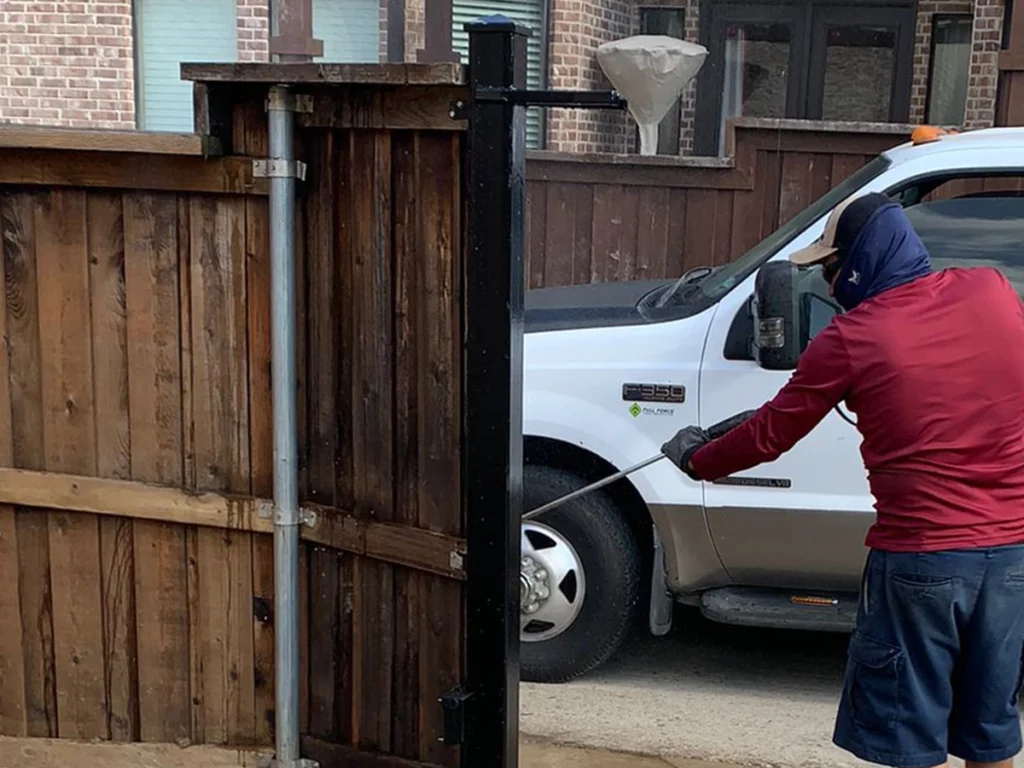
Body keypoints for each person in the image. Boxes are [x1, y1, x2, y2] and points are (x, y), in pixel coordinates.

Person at [661, 191, 1024, 768]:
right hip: (1010, 561)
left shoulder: (853, 337)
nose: (830, 286)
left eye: (831, 268)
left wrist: (697, 459)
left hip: (920, 562)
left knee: (907, 739)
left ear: (859, 262)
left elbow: (771, 436)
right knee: (991, 732)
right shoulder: (993, 291)